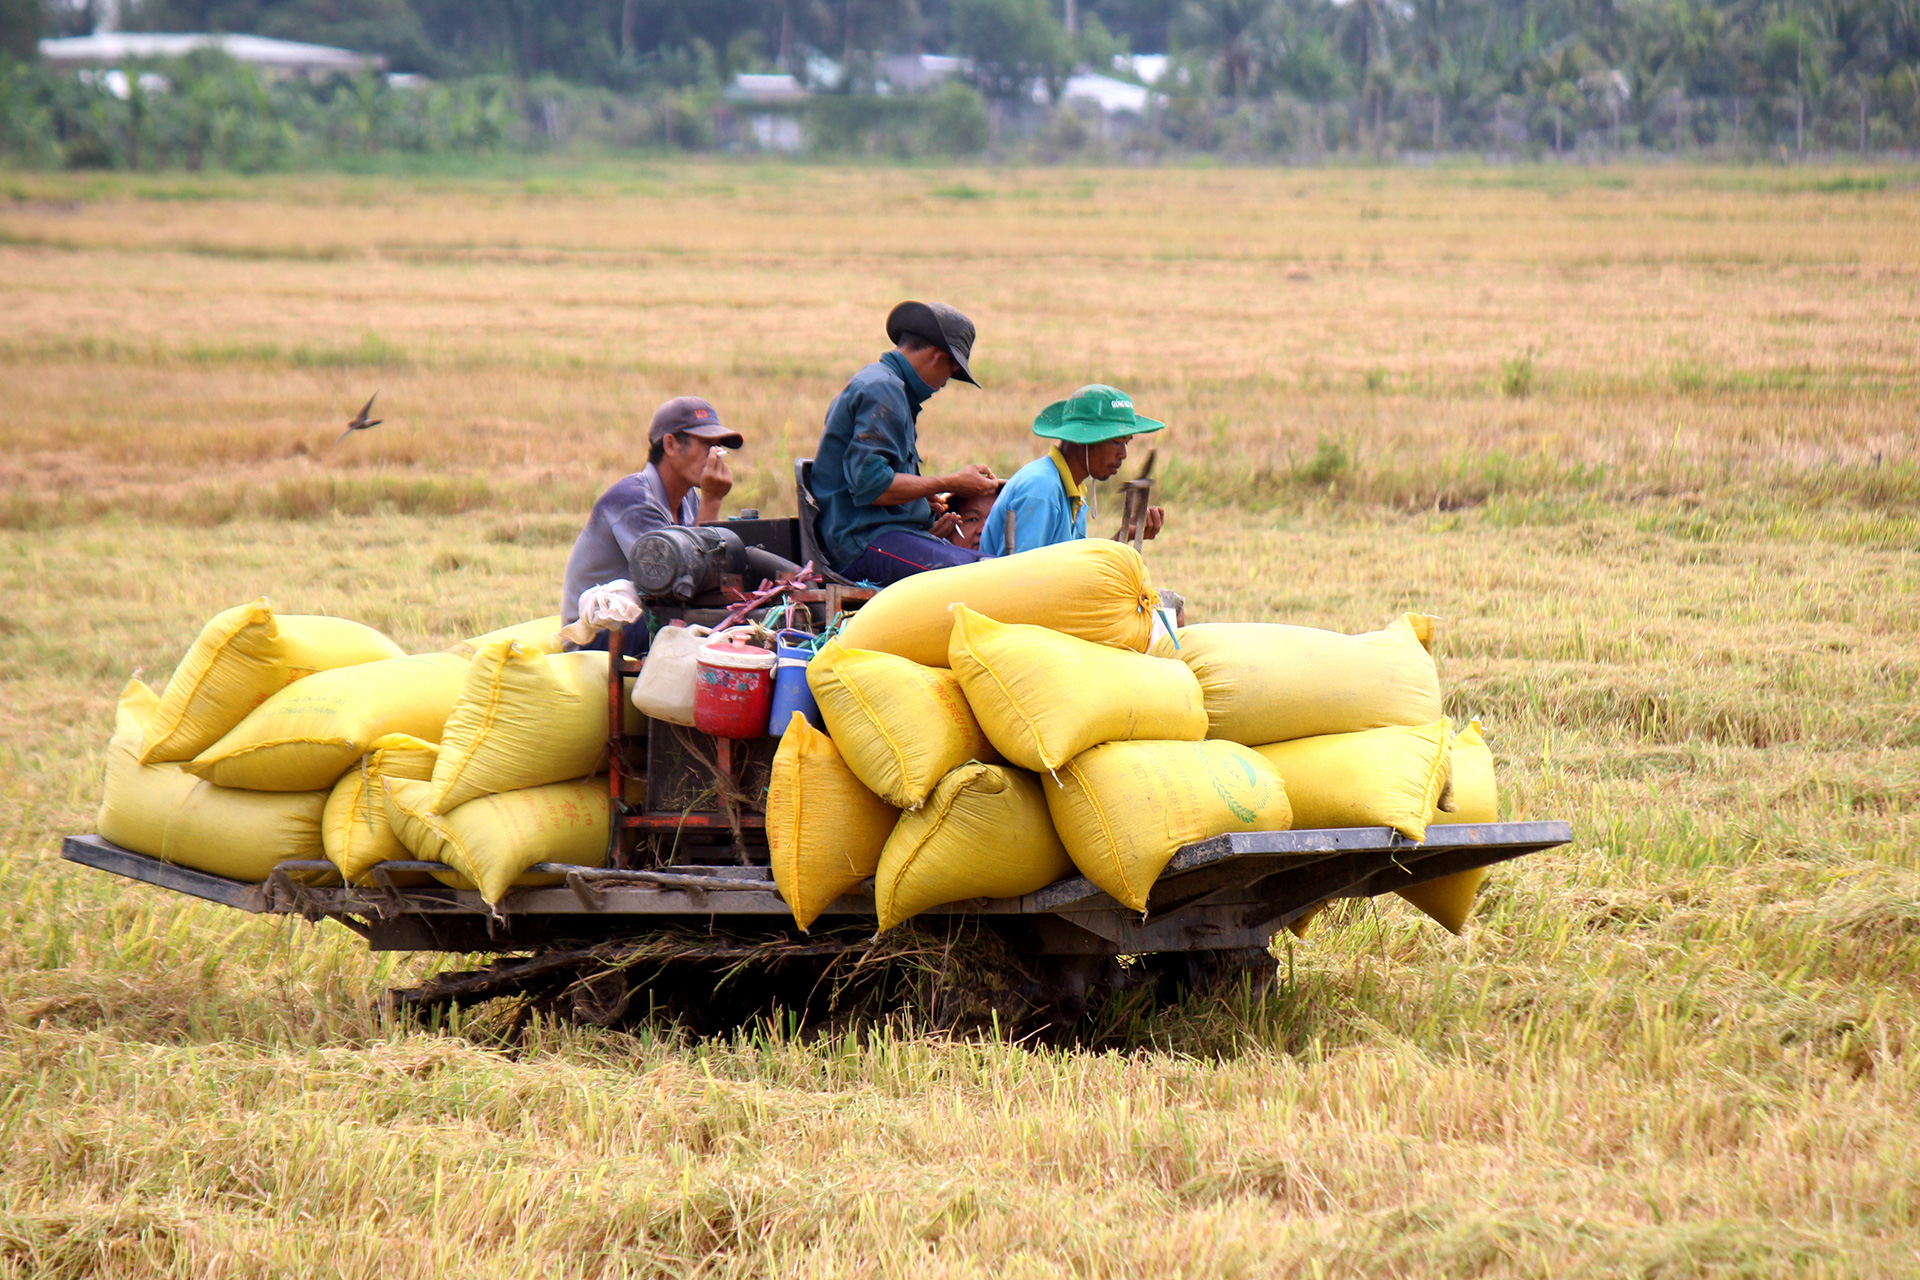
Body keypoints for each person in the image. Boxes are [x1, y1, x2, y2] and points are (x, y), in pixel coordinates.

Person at [811, 300, 999, 586]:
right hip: (864, 544)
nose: (944, 384)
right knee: (978, 578)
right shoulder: (883, 389)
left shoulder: (887, 386)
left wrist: (917, 499)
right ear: (938, 358)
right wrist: (950, 483)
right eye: (950, 373)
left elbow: (874, 481)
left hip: (881, 537)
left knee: (990, 567)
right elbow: (872, 487)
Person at [559, 395, 740, 635]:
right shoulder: (634, 501)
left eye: (718, 446)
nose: (714, 455)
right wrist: (712, 501)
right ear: (670, 445)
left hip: (646, 616)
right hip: (599, 631)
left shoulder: (689, 498)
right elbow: (677, 581)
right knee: (701, 632)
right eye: (707, 444)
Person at [980, 383, 1166, 558]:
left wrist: (1125, 535)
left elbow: (1077, 573)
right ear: (1081, 439)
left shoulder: (1071, 493)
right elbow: (1020, 579)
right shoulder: (1042, 491)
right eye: (1116, 442)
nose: (1123, 454)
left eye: (1126, 443)